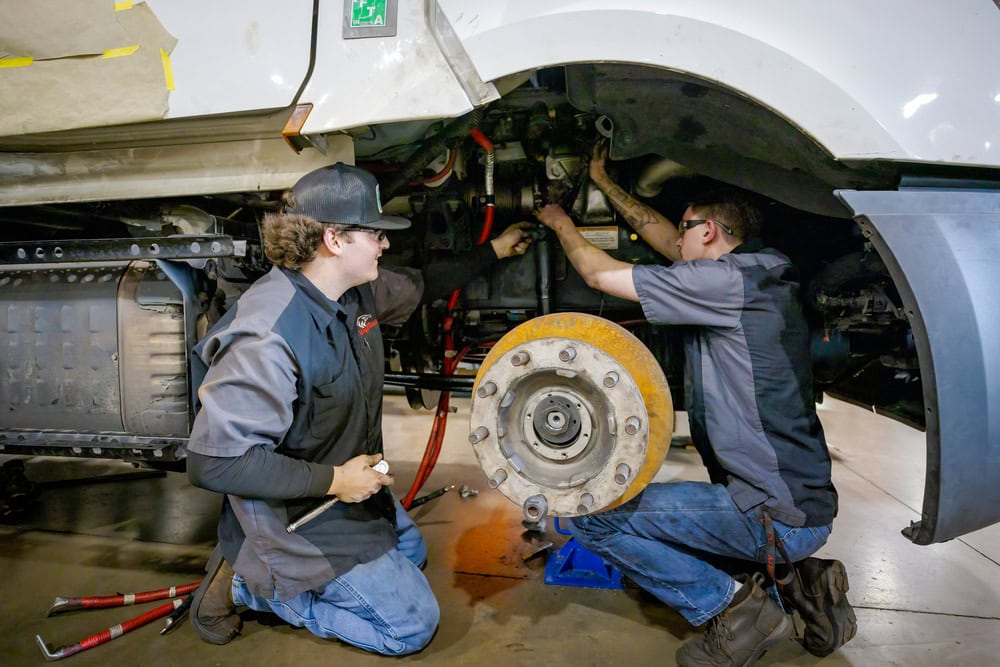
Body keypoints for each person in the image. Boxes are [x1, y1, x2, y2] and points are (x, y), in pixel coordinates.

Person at [185, 162, 532, 655]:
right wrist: (337, 482)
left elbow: (422, 284)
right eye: (373, 233)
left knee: (411, 555)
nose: (384, 243)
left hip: (348, 491)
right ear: (334, 239)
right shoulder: (267, 337)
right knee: (411, 626)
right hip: (298, 509)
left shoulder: (354, 292)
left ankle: (273, 564)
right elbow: (215, 462)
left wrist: (494, 250)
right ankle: (249, 584)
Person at [533, 144, 856, 666]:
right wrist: (602, 180)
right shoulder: (760, 275)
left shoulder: (723, 282)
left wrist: (559, 221)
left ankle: (731, 609)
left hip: (773, 514)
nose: (673, 239)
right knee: (667, 531)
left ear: (708, 232)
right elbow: (663, 236)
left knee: (590, 520)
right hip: (802, 506)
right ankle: (801, 587)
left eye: (685, 229)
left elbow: (598, 275)